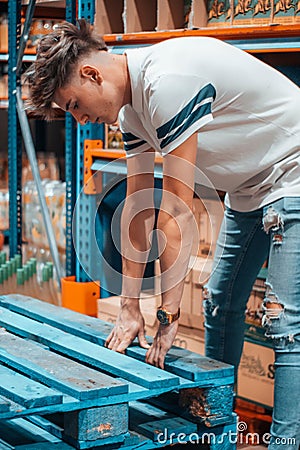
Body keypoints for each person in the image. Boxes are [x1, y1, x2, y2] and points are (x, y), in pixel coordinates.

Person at [26, 19, 300, 449]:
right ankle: (213, 421)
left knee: (285, 325)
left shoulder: (167, 83)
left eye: (75, 104)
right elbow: (140, 213)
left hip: (293, 168)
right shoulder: (133, 109)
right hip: (249, 186)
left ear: (91, 74)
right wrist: (131, 306)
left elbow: (174, 208)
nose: (80, 120)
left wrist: (168, 313)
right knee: (219, 304)